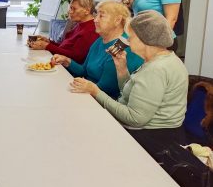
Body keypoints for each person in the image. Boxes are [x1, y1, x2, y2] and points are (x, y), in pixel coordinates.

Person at [70, 10, 188, 145]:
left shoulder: (156, 69)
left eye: (130, 36)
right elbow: (132, 93)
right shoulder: (163, 59)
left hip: (152, 139)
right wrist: (122, 69)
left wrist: (95, 92)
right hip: (156, 133)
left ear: (144, 39)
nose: (128, 39)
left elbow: (134, 118)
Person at [52, 0, 144, 99]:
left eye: (101, 16)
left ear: (117, 20)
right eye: (96, 15)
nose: (95, 20)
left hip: (105, 102)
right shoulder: (100, 40)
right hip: (90, 94)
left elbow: (106, 88)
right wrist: (67, 61)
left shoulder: (122, 46)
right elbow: (84, 71)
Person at [29, 0, 99, 64]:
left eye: (73, 9)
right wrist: (48, 42)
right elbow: (65, 47)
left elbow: (75, 57)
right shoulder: (80, 24)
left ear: (87, 10)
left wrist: (46, 46)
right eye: (70, 8)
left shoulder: (90, 30)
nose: (69, 12)